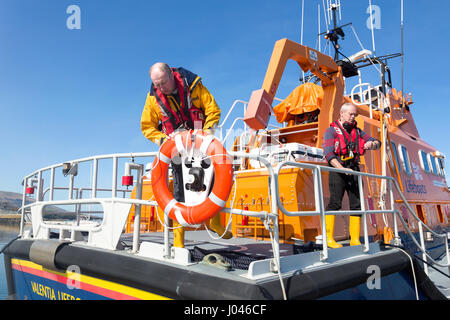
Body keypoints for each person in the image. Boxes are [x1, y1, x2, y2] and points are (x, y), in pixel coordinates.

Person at [141, 63, 232, 245]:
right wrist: (163, 140)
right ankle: (178, 240)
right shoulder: (153, 99)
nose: (160, 88)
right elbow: (147, 126)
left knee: (213, 183)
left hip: (202, 145)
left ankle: (215, 223)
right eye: (156, 85)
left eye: (163, 83)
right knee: (178, 192)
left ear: (172, 76)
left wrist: (205, 136)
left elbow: (213, 109)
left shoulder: (193, 85)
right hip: (176, 150)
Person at [322, 103, 381, 248]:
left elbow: (377, 142)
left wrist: (372, 144)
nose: (353, 117)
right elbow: (328, 154)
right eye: (351, 114)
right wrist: (342, 168)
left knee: (357, 204)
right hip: (338, 169)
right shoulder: (331, 131)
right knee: (335, 203)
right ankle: (329, 238)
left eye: (355, 115)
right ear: (342, 113)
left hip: (354, 169)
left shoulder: (358, 131)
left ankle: (355, 239)